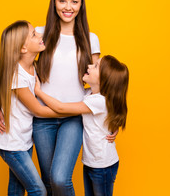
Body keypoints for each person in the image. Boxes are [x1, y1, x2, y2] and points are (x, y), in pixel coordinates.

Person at [0, 0, 116, 195]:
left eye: (74, 1)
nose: (68, 7)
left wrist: (110, 120)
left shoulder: (91, 39)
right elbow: (10, 69)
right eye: (62, 1)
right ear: (54, 2)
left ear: (81, 5)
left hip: (73, 117)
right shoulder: (39, 34)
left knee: (60, 178)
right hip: (42, 120)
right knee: (48, 181)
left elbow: (100, 83)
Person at [0, 20, 73, 196]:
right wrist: (71, 110)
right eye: (34, 35)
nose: (40, 36)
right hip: (12, 146)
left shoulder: (32, 67)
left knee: (16, 188)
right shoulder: (17, 76)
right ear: (22, 48)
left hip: (24, 141)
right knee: (38, 191)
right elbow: (38, 110)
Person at [34, 55, 129, 196]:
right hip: (92, 163)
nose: (89, 66)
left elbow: (61, 108)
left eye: (96, 66)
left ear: (104, 80)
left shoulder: (98, 101)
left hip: (103, 166)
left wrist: (38, 92)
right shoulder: (90, 94)